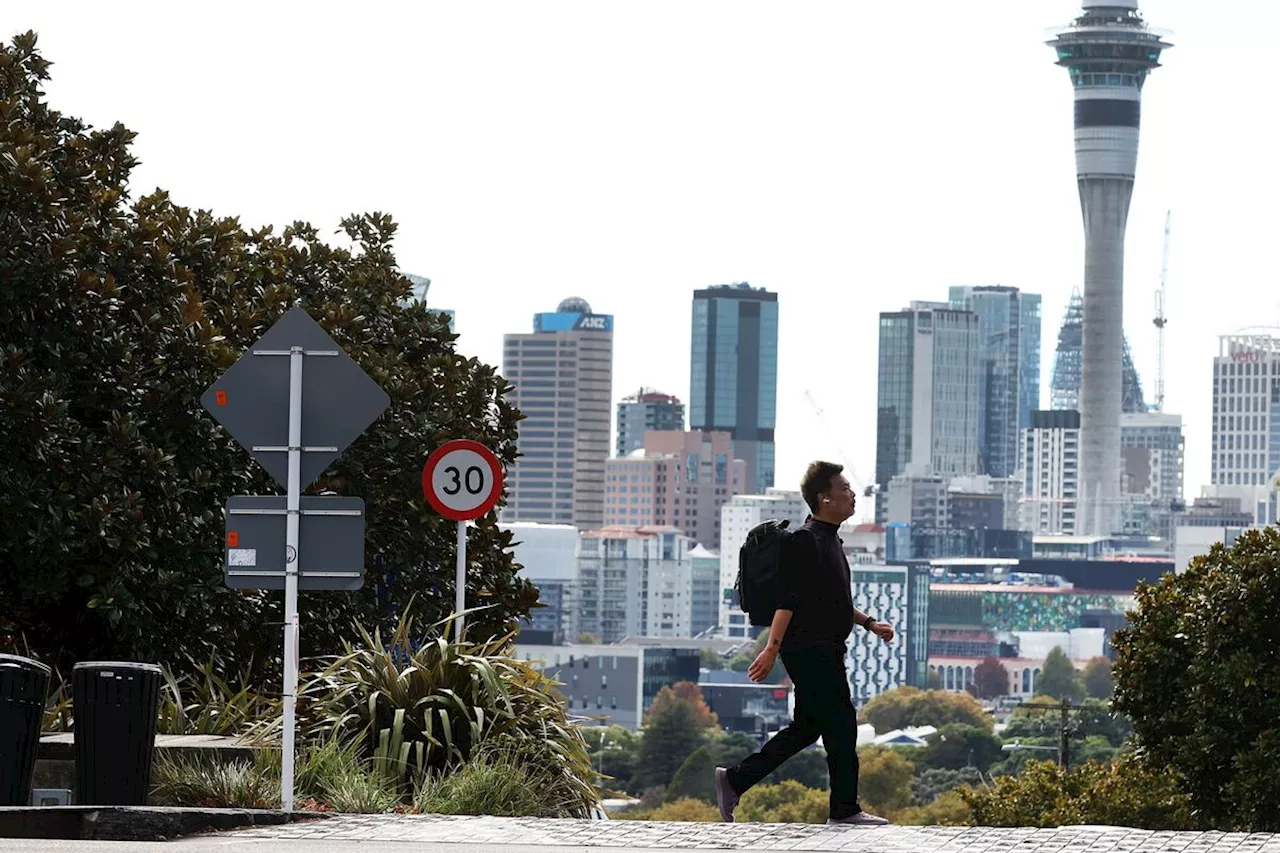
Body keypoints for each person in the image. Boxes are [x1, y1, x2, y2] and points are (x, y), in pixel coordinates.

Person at [714, 461, 894, 826]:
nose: (852, 493)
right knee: (843, 724)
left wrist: (870, 623)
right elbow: (788, 600)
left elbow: (834, 600)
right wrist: (771, 648)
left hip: (823, 647)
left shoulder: (829, 539)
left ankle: (735, 779)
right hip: (809, 649)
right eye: (844, 488)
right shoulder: (805, 540)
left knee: (808, 727)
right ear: (824, 497)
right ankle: (844, 810)